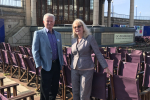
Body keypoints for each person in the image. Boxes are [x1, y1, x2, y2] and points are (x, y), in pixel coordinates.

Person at [71, 19, 112, 100]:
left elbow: (98, 53)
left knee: (84, 94)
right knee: (75, 93)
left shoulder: (90, 38)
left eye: (79, 26)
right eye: (75, 27)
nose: (77, 28)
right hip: (74, 69)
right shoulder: (73, 40)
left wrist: (105, 67)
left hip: (86, 69)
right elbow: (73, 55)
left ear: (83, 27)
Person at [32, 13, 63, 100]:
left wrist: (61, 64)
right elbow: (35, 51)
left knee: (55, 87)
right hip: (45, 65)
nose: (49, 23)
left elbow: (60, 51)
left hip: (56, 64)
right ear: (43, 22)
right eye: (47, 21)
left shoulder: (58, 35)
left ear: (54, 22)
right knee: (45, 88)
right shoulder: (38, 33)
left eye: (51, 21)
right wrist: (39, 65)